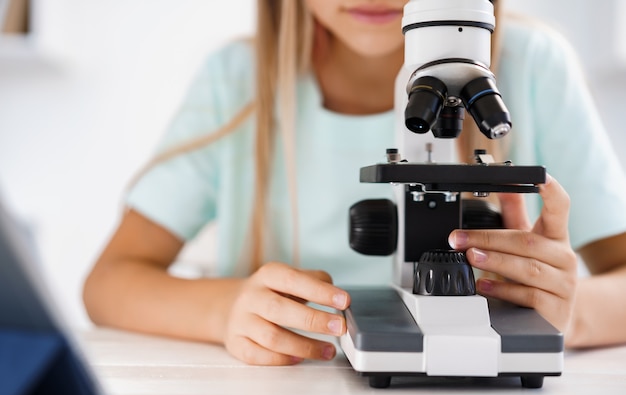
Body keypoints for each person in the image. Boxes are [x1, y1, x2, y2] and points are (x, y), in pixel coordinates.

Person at [83, 0, 626, 365]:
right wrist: (226, 310)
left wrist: (565, 317)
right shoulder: (237, 82)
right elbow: (109, 282)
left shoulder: (534, 66)